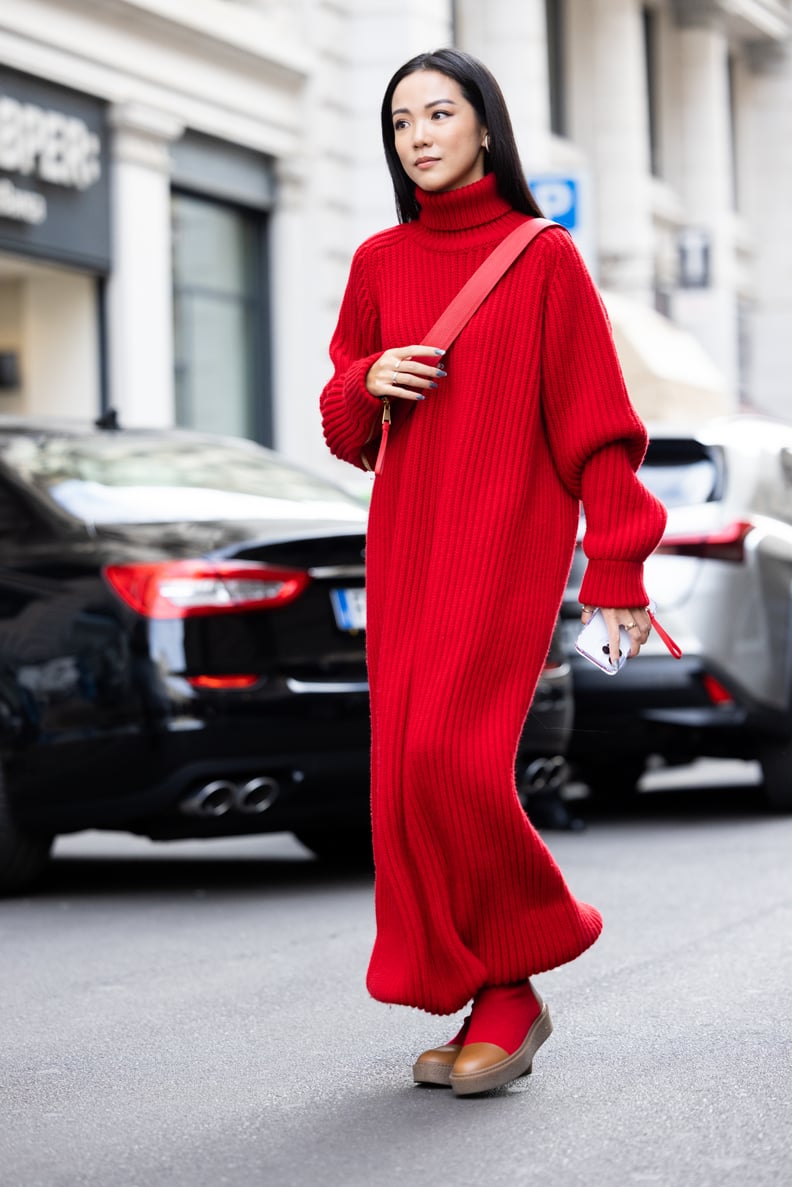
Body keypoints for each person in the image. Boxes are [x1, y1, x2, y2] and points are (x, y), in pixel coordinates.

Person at [319, 47, 667, 1096]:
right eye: (399, 123)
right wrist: (369, 375)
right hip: (407, 547)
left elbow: (599, 427)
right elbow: (341, 421)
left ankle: (518, 975)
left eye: (438, 113)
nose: (419, 136)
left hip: (504, 548)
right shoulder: (379, 262)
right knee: (403, 777)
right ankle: (491, 990)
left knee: (448, 759)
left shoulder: (542, 256)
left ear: (484, 125)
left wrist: (616, 566)